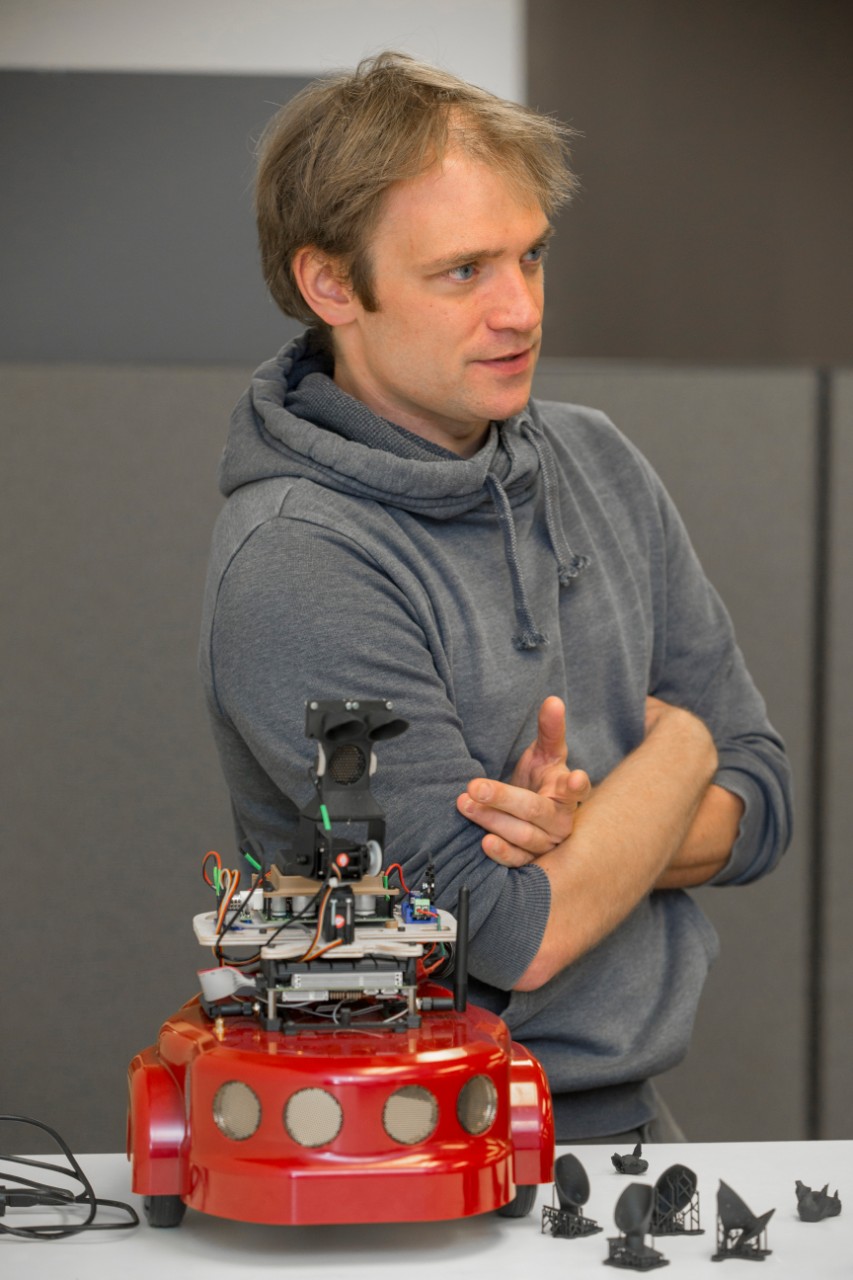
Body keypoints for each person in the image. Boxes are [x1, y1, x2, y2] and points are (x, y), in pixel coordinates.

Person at [199, 52, 792, 1142]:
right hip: (403, 1142)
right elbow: (510, 932)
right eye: (463, 271)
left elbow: (762, 808)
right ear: (333, 285)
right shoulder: (298, 560)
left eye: (530, 255)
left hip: (624, 1133)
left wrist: (587, 830)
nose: (519, 308)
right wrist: (679, 748)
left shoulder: (596, 461)